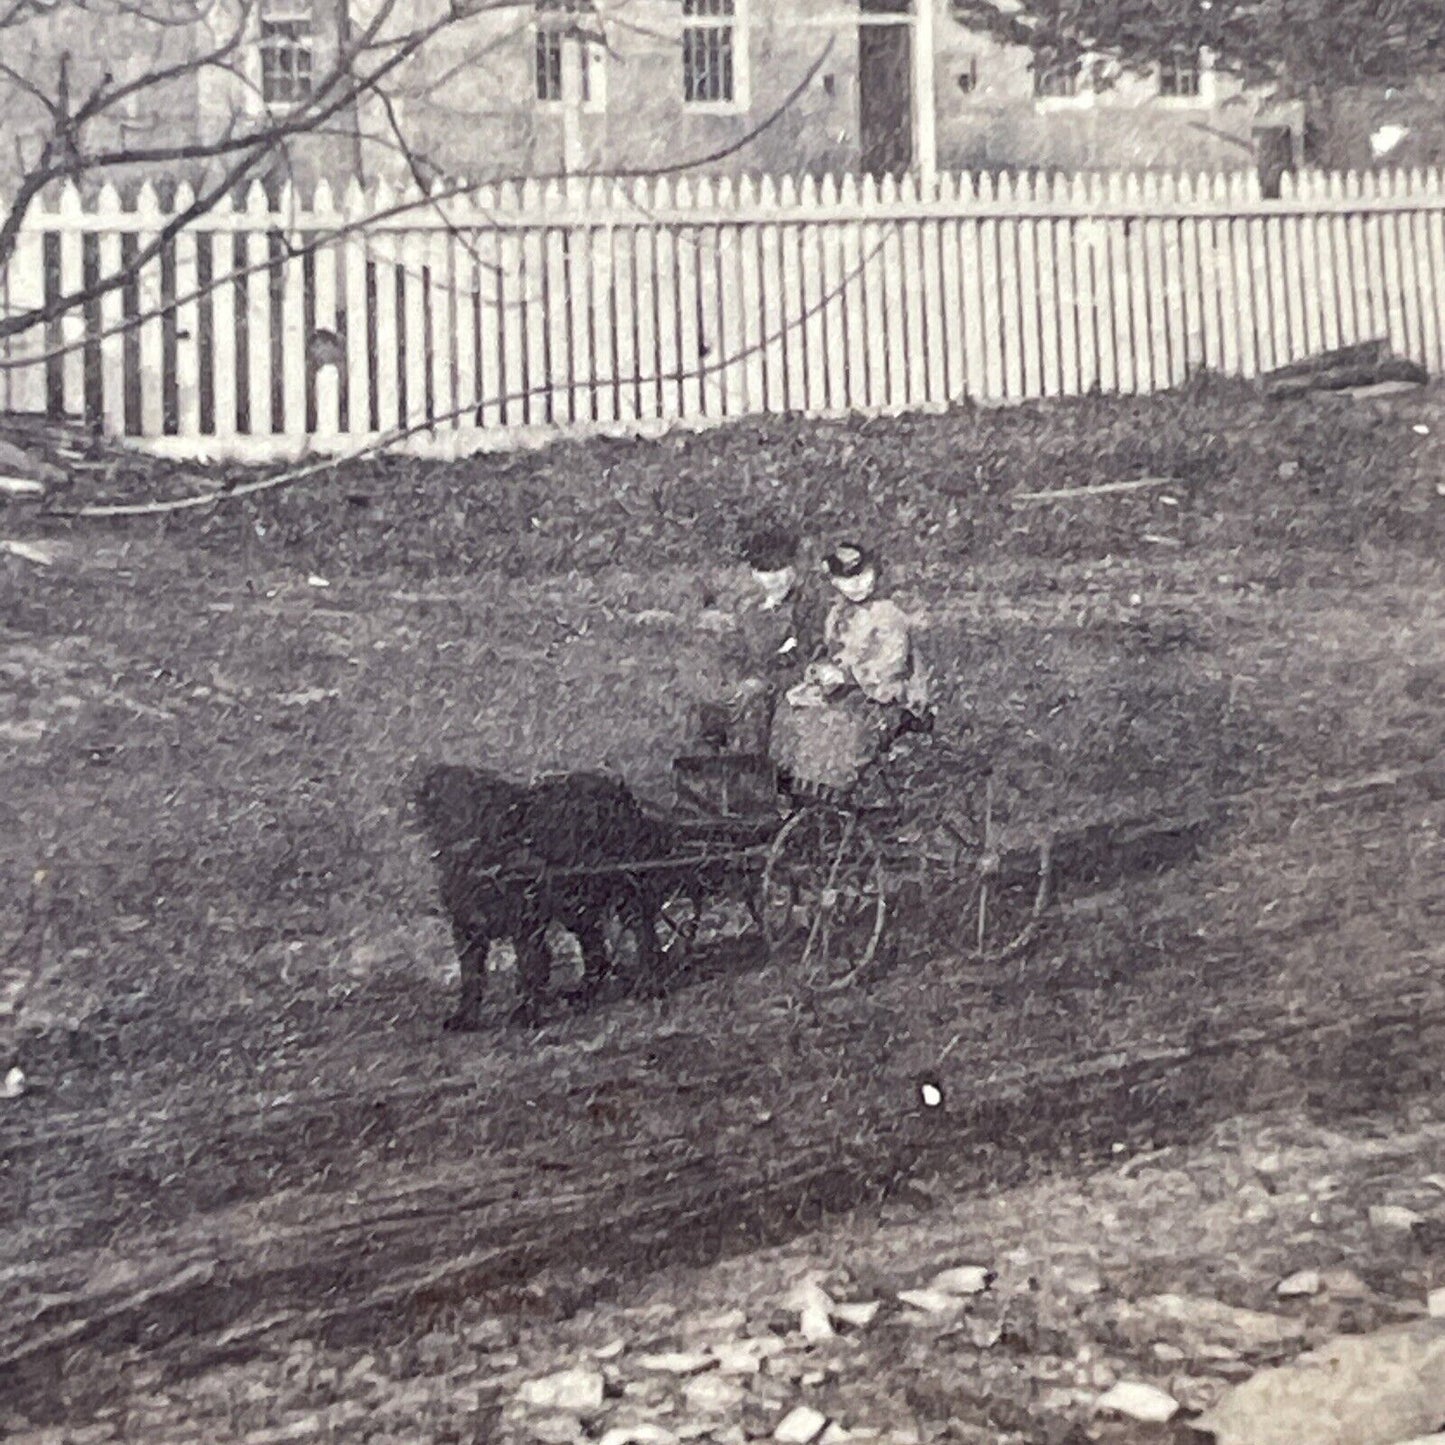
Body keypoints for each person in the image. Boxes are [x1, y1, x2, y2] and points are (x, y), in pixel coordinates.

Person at [771, 541, 931, 790]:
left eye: (862, 575)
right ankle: (793, 789)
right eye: (846, 579)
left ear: (875, 572)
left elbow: (890, 666)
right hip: (848, 689)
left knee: (837, 722)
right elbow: (830, 654)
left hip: (887, 697)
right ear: (834, 582)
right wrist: (817, 672)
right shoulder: (836, 613)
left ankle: (831, 792)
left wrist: (845, 676)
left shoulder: (889, 613)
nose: (856, 584)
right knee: (793, 706)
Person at [691, 521, 825, 757]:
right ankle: (711, 770)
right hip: (752, 681)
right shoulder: (751, 611)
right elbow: (738, 653)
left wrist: (763, 681)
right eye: (765, 571)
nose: (775, 579)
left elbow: (807, 653)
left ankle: (752, 774)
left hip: (790, 679)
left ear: (794, 569)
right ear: (754, 574)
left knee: (754, 707)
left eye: (782, 569)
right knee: (711, 708)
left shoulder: (805, 608)